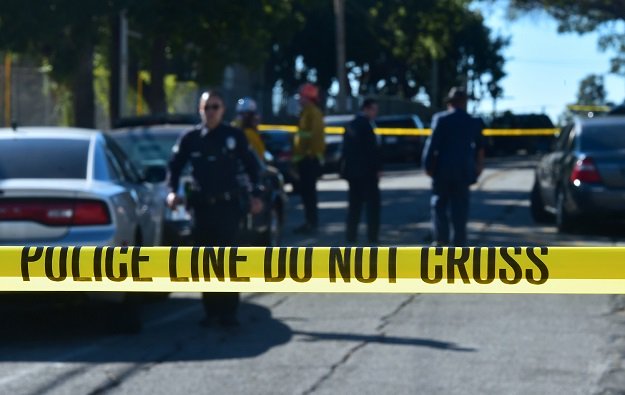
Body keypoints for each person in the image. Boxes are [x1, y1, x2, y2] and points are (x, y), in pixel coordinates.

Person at [166, 91, 263, 327]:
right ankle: (211, 311)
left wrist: (257, 196)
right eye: (206, 107)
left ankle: (229, 311)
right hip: (201, 208)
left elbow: (253, 168)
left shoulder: (234, 136)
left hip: (228, 207)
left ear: (223, 110)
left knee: (228, 259)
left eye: (215, 107)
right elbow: (174, 168)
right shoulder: (190, 138)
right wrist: (172, 192)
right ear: (200, 110)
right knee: (205, 261)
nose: (210, 112)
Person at [421, 87, 485, 247]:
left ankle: (441, 241)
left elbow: (432, 145)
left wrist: (427, 165)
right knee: (460, 209)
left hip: (442, 170)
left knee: (439, 205)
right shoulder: (473, 121)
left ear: (450, 103)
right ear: (464, 103)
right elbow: (481, 147)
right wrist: (479, 166)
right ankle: (459, 245)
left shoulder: (440, 119)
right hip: (463, 171)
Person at [341, 98, 381, 244]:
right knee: (372, 207)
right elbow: (372, 151)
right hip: (368, 174)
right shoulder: (367, 126)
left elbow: (345, 151)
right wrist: (377, 169)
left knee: (354, 208)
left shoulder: (351, 125)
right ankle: (373, 238)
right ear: (367, 109)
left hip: (353, 173)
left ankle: (351, 238)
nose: (375, 113)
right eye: (374, 110)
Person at [292, 83, 325, 234]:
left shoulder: (313, 113)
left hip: (309, 160)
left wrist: (311, 154)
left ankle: (312, 223)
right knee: (306, 193)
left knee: (309, 193)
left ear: (308, 97)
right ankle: (309, 222)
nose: (299, 99)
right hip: (304, 159)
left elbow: (315, 136)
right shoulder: (306, 112)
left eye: (301, 96)